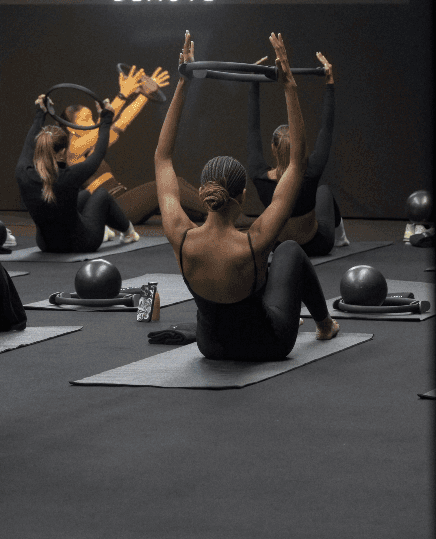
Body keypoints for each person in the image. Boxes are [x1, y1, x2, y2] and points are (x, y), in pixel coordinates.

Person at [154, 30, 338, 361]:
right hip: (268, 346)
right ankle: (324, 325)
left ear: (202, 191)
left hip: (210, 348)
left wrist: (184, 81)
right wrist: (289, 86)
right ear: (241, 194)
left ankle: (318, 323)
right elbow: (297, 161)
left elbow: (162, 158)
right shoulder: (255, 241)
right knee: (291, 251)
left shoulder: (180, 236)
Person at [63, 63, 208, 228]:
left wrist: (144, 95)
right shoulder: (73, 152)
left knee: (178, 184)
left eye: (91, 117)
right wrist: (123, 94)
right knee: (163, 185)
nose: (91, 122)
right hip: (115, 208)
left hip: (125, 199)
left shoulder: (93, 147)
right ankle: (223, 214)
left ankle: (209, 213)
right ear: (70, 128)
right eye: (84, 120)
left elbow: (121, 123)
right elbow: (105, 123)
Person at [247, 51, 348, 256]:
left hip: (279, 247)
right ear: (300, 146)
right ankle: (341, 239)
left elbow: (253, 130)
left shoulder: (259, 175)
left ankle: (341, 238)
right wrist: (329, 83)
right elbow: (326, 129)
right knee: (324, 191)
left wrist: (254, 82)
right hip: (317, 245)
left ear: (273, 148)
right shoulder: (311, 172)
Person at [15, 95, 138, 253]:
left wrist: (41, 113)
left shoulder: (23, 172)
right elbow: (98, 153)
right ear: (62, 153)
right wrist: (106, 119)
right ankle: (129, 233)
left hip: (46, 245)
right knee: (101, 195)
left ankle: (102, 226)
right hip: (82, 243)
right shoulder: (68, 177)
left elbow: (29, 144)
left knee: (86, 195)